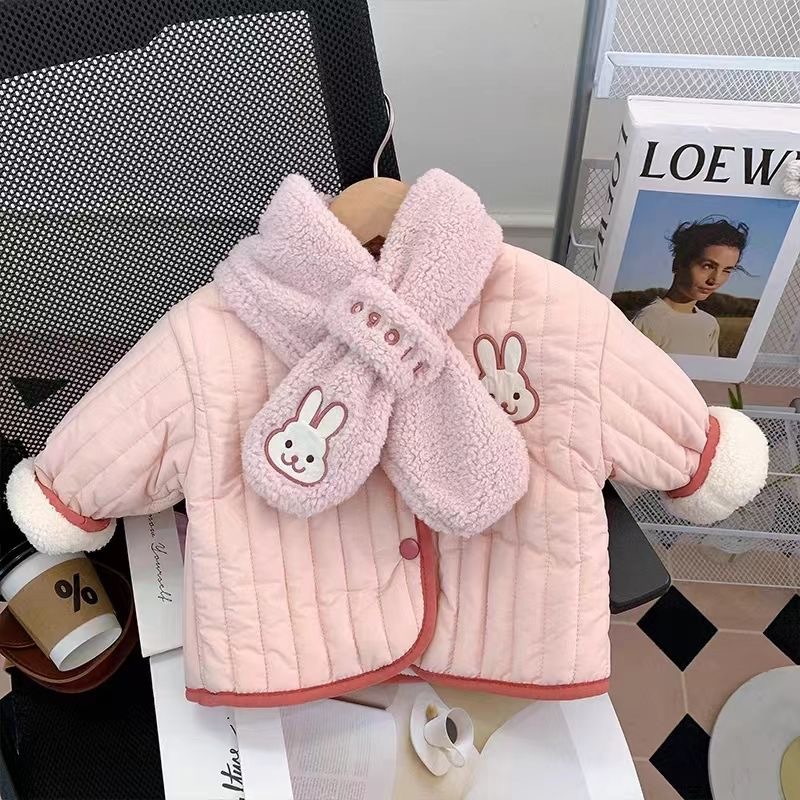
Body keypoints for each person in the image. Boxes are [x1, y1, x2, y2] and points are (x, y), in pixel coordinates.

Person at [633, 217, 749, 356]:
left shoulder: (710, 324)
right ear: (678, 264)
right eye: (707, 266)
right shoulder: (648, 321)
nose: (715, 280)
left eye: (726, 270)